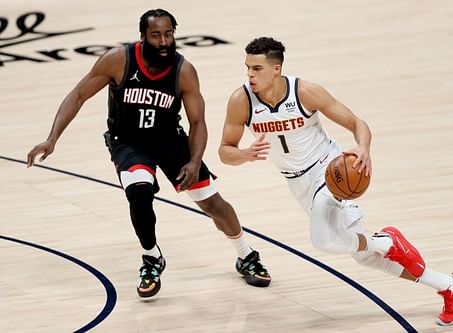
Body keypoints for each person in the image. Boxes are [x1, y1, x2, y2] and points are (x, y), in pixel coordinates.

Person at [218, 36, 453, 326]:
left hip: (329, 171)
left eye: (257, 68)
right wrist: (244, 154)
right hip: (297, 183)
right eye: (247, 67)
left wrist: (363, 148)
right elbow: (225, 151)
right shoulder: (241, 101)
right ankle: (450, 286)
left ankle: (386, 241)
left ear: (276, 69)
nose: (250, 75)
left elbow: (357, 124)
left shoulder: (305, 92)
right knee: (363, 257)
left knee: (323, 240)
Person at [26, 9, 271, 298]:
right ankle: (152, 258)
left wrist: (193, 162)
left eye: (169, 34)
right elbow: (78, 94)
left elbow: (197, 122)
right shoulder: (118, 60)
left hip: (170, 142)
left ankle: (246, 255)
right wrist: (52, 138)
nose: (164, 41)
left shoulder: (184, 71)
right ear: (143, 36)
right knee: (139, 192)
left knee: (213, 204)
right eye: (156, 35)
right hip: (128, 143)